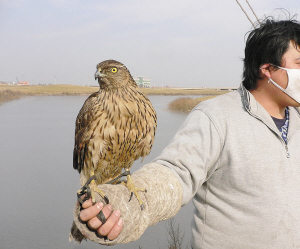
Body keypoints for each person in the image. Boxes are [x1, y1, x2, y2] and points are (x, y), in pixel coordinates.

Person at [70, 17, 300, 248]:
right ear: (268, 69)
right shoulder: (216, 116)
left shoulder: (296, 118)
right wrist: (128, 208)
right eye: (299, 62)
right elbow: (175, 174)